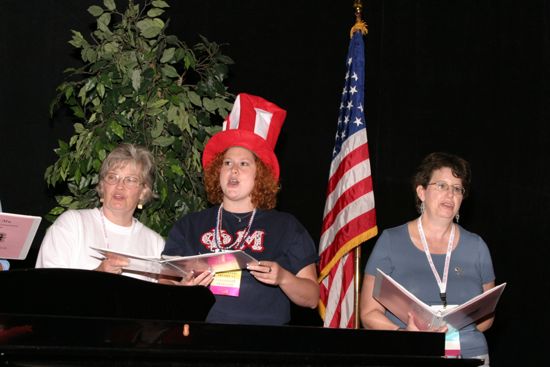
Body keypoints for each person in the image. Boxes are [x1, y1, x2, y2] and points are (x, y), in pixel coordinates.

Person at [162, 93, 319, 325]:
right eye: (227, 163)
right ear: (218, 172)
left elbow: (312, 298)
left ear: (261, 175)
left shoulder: (286, 226)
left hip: (264, 346)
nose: (233, 170)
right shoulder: (190, 225)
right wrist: (182, 289)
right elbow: (164, 283)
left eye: (243, 163)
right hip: (201, 340)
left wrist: (283, 278)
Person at [359, 152, 496, 365]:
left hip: (472, 356)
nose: (450, 194)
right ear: (421, 192)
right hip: (411, 354)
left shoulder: (477, 246)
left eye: (457, 188)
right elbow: (369, 313)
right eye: (441, 185)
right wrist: (405, 334)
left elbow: (487, 317)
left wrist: (454, 327)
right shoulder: (391, 241)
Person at [36, 143, 165, 281]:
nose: (120, 186)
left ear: (143, 192)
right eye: (112, 177)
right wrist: (98, 274)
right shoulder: (72, 224)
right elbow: (47, 287)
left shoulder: (155, 244)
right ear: (102, 186)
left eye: (130, 180)